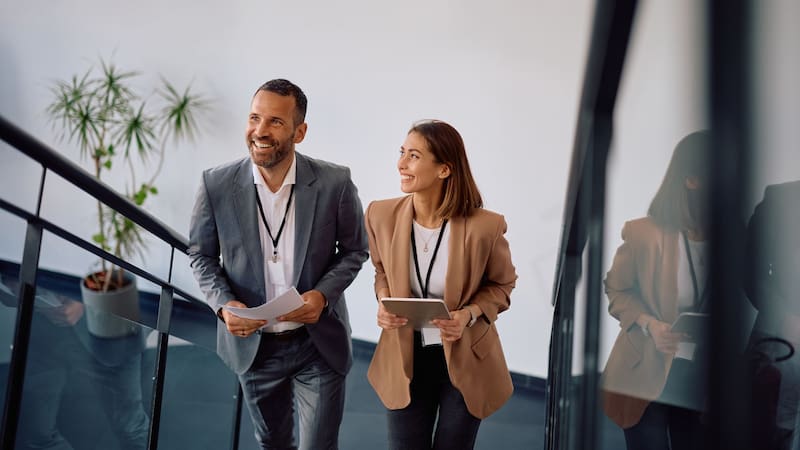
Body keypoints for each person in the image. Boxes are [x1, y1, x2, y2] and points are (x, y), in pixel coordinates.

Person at [188, 79, 368, 450]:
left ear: (299, 132)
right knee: (273, 444)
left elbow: (354, 250)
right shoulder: (216, 184)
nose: (260, 131)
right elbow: (201, 255)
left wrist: (322, 295)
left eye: (275, 122)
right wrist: (224, 305)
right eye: (254, 118)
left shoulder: (335, 182)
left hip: (316, 344)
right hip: (254, 348)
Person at [364, 119, 517, 450]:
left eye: (414, 156)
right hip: (405, 351)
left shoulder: (485, 227)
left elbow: (502, 286)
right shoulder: (380, 215)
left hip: (464, 353)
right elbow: (381, 271)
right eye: (402, 152)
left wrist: (469, 314)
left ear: (444, 169)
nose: (401, 164)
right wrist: (383, 300)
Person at [601, 130, 712, 450]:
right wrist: (650, 323)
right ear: (691, 181)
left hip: (702, 375)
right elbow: (617, 291)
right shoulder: (643, 234)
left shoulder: (734, 235)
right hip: (643, 369)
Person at [0, 272, 149, 450]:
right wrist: (11, 281)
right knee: (36, 433)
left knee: (130, 426)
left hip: (107, 330)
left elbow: (130, 255)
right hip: (42, 330)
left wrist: (83, 297)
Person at [744, 179, 800, 450]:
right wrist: (785, 318)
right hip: (779, 344)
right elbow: (748, 269)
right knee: (764, 435)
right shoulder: (781, 197)